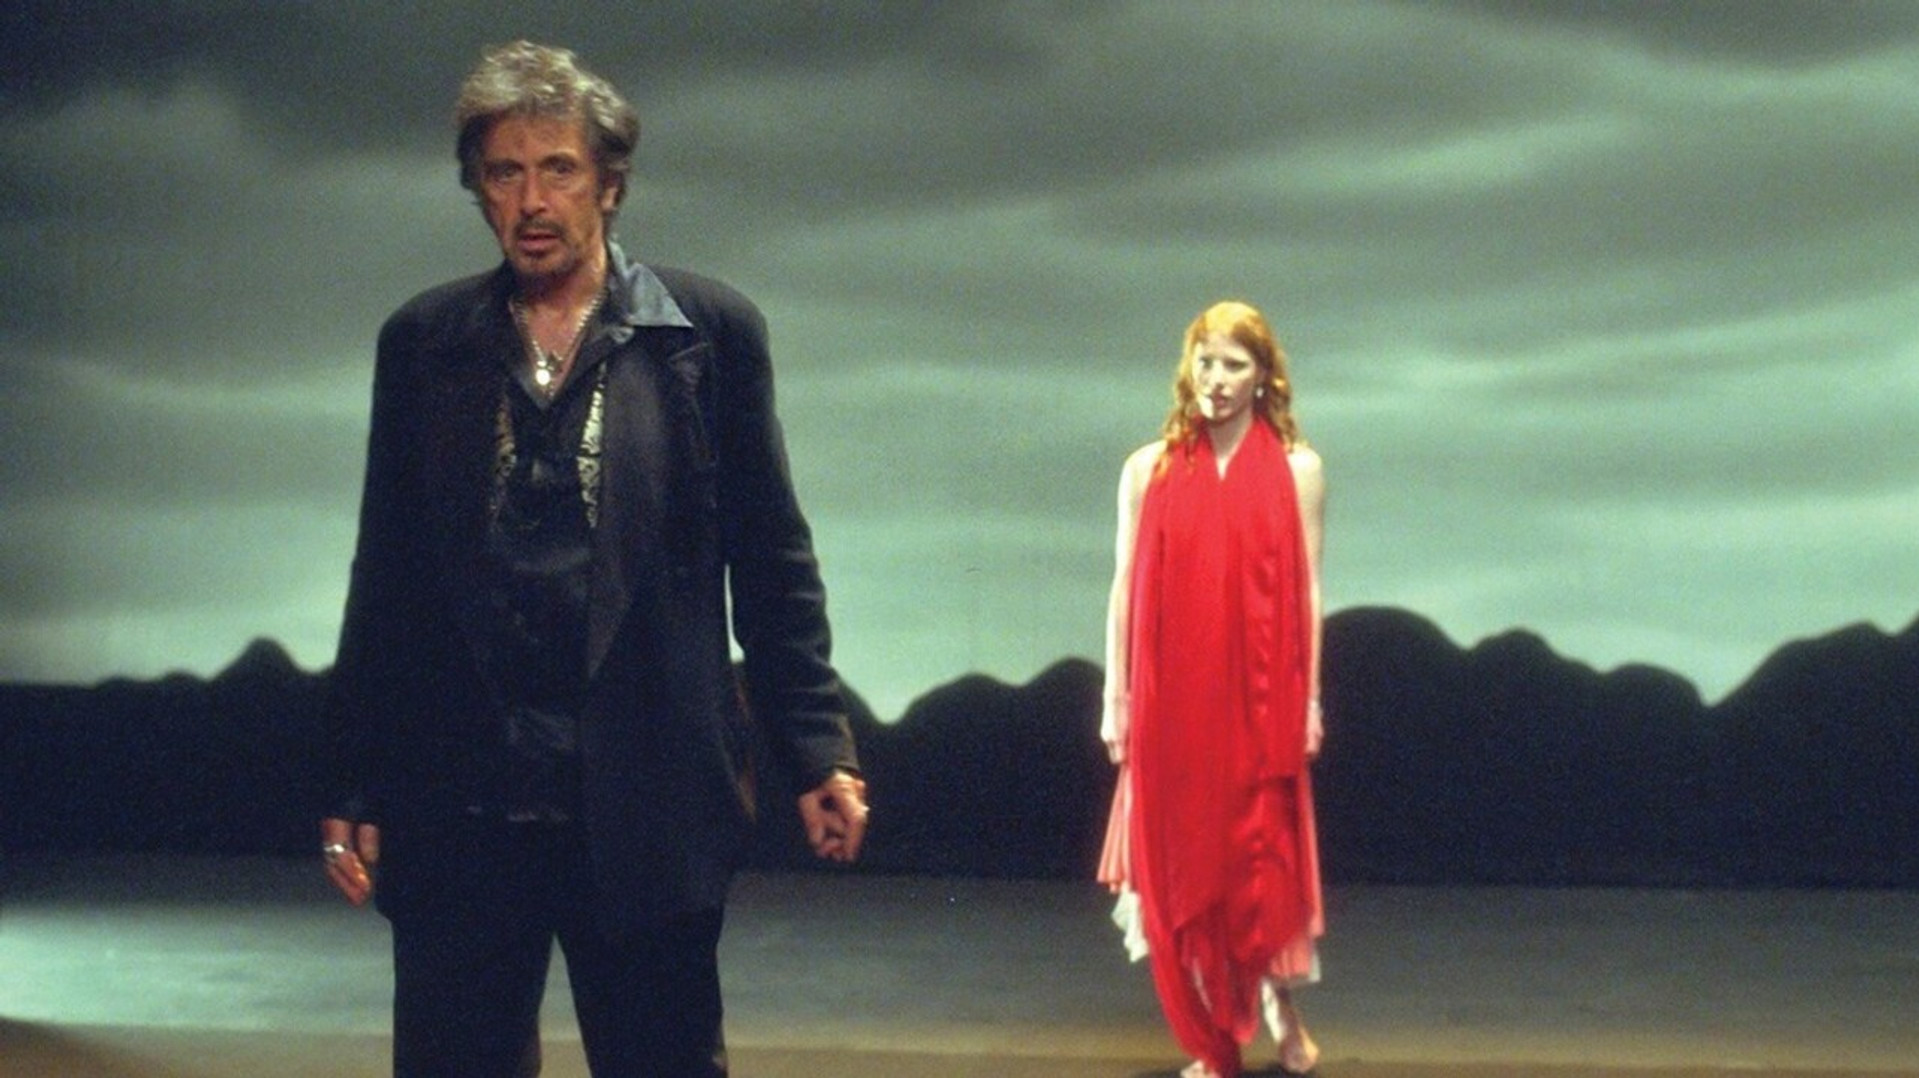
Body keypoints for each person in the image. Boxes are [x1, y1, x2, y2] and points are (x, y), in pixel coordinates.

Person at [318, 41, 867, 1078]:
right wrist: (354, 773)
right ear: (478, 189)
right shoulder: (424, 342)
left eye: (557, 169)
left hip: (646, 793)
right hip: (464, 797)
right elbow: (385, 574)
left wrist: (815, 747)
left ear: (609, 184)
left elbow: (770, 556)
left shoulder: (704, 334)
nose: (531, 199)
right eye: (504, 172)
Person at [1096, 301, 1327, 1078]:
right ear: (1186, 368)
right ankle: (1215, 1041)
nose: (1217, 380)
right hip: (1173, 703)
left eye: (1234, 365)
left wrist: (1310, 699)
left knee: (1258, 866)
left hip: (1260, 700)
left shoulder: (1297, 470)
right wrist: (1115, 697)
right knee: (1182, 869)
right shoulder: (1149, 468)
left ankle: (1280, 1011)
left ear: (1263, 377)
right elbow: (1123, 589)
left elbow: (1308, 592)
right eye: (1205, 362)